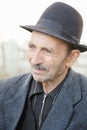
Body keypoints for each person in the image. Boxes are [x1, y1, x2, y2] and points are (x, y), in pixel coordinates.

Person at [0, 2, 87, 130]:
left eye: (47, 51)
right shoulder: (4, 90)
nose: (35, 60)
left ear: (71, 57)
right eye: (32, 47)